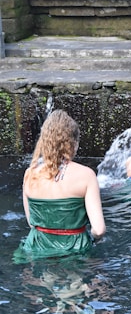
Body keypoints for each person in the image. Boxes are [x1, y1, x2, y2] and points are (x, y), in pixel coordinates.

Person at [14, 109, 106, 262]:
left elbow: (32, 223)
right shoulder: (86, 175)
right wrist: (93, 241)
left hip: (37, 248)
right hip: (75, 251)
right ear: (73, 143)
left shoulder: (30, 173)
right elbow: (99, 230)